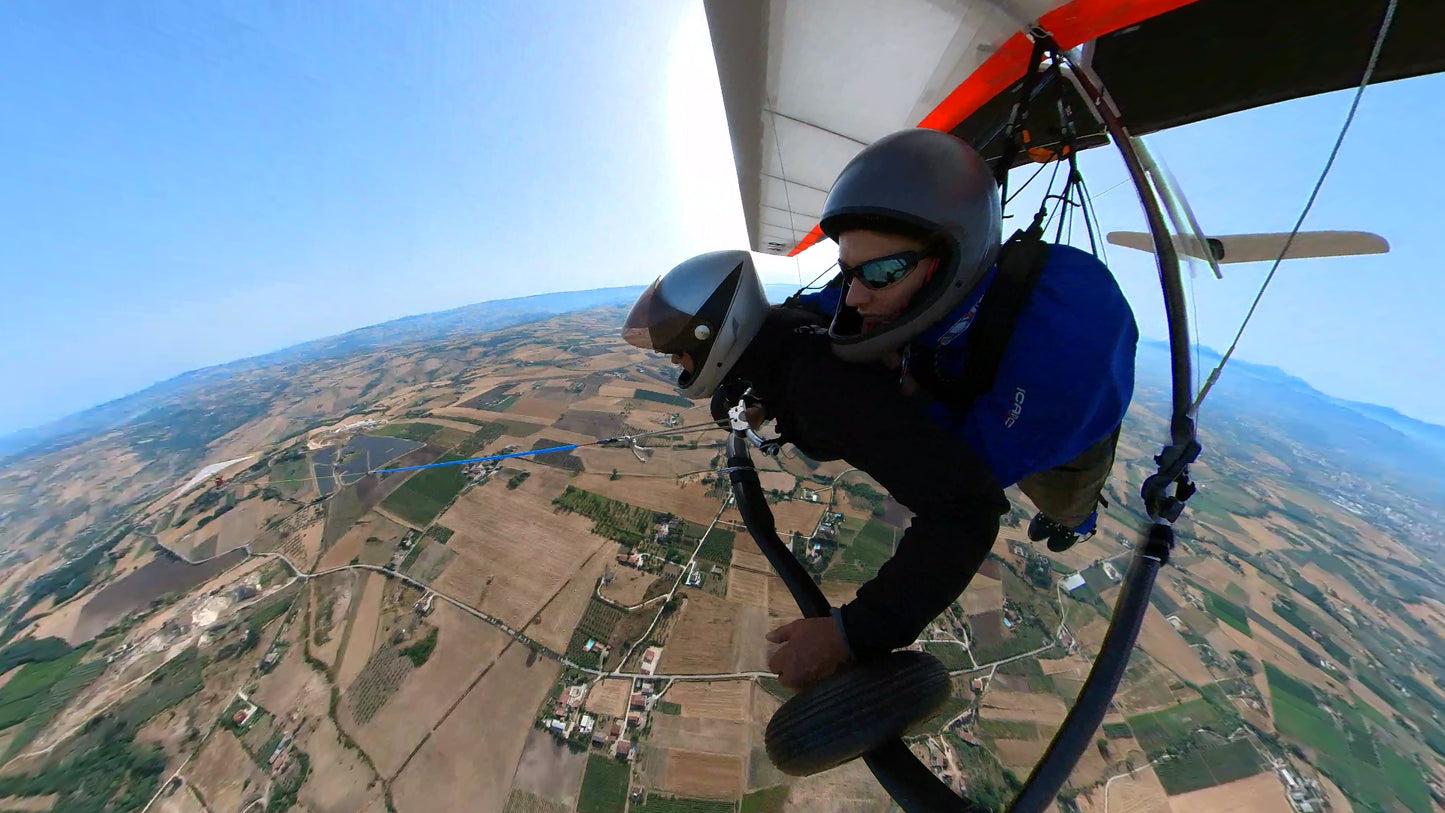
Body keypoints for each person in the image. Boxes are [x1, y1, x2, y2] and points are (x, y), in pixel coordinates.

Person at [624, 251, 1008, 689]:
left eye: (679, 348)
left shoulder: (820, 393)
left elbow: (968, 507)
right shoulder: (785, 328)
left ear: (710, 332)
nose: (675, 361)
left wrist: (851, 635)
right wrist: (755, 399)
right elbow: (772, 357)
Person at [793, 127, 1137, 554]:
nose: (857, 296)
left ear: (947, 263)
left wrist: (895, 400)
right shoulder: (904, 285)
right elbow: (834, 302)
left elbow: (970, 468)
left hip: (1052, 432)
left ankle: (1074, 524)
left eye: (879, 274)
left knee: (1061, 495)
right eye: (849, 271)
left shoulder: (1064, 350)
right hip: (960, 372)